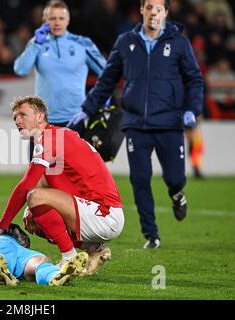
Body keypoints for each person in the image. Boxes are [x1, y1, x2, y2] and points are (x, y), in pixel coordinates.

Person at [73, 0, 204, 249]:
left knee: (175, 177)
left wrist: (192, 110)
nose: (153, 12)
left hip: (169, 122)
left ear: (165, 13)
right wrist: (86, 109)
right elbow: (107, 80)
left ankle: (177, 194)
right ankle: (151, 235)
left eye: (158, 8)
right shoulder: (125, 42)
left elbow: (194, 80)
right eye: (149, 7)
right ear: (141, 10)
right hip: (136, 124)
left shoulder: (179, 43)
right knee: (140, 178)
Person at [0, 96, 124, 276]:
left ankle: (69, 258)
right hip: (94, 212)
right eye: (15, 117)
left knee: (35, 197)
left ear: (40, 116)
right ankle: (93, 249)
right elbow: (38, 183)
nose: (17, 121)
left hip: (104, 214)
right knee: (31, 215)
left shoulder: (50, 138)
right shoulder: (56, 136)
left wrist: (1, 227)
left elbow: (25, 186)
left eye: (23, 114)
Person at [13, 0, 106, 128]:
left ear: (68, 20)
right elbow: (20, 70)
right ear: (45, 20)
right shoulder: (37, 43)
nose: (57, 22)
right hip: (42, 121)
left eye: (61, 18)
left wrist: (96, 100)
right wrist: (36, 44)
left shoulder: (82, 44)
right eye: (52, 18)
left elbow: (108, 73)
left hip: (75, 120)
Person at [0, 216, 88, 286]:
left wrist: (10, 230)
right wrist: (10, 227)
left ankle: (55, 277)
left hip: (16, 249)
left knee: (40, 261)